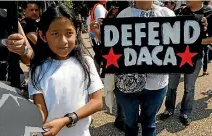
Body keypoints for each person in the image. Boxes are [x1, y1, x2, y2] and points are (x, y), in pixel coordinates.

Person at [92, 1, 174, 136]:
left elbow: (179, 43)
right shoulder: (122, 16)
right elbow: (113, 49)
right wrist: (101, 36)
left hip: (157, 84)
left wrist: (199, 29)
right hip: (126, 85)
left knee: (149, 124)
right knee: (130, 124)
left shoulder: (167, 14)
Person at [28, 4, 103, 136]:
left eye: (69, 33)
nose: (63, 41)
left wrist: (68, 119)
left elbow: (97, 102)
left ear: (77, 32)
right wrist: (32, 124)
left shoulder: (86, 62)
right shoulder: (37, 68)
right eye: (55, 34)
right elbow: (41, 110)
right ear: (43, 36)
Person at [160, 0, 212, 126]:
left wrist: (196, 41)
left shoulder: (209, 12)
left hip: (195, 57)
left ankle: (185, 112)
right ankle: (169, 109)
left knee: (189, 88)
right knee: (171, 85)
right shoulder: (180, 11)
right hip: (175, 57)